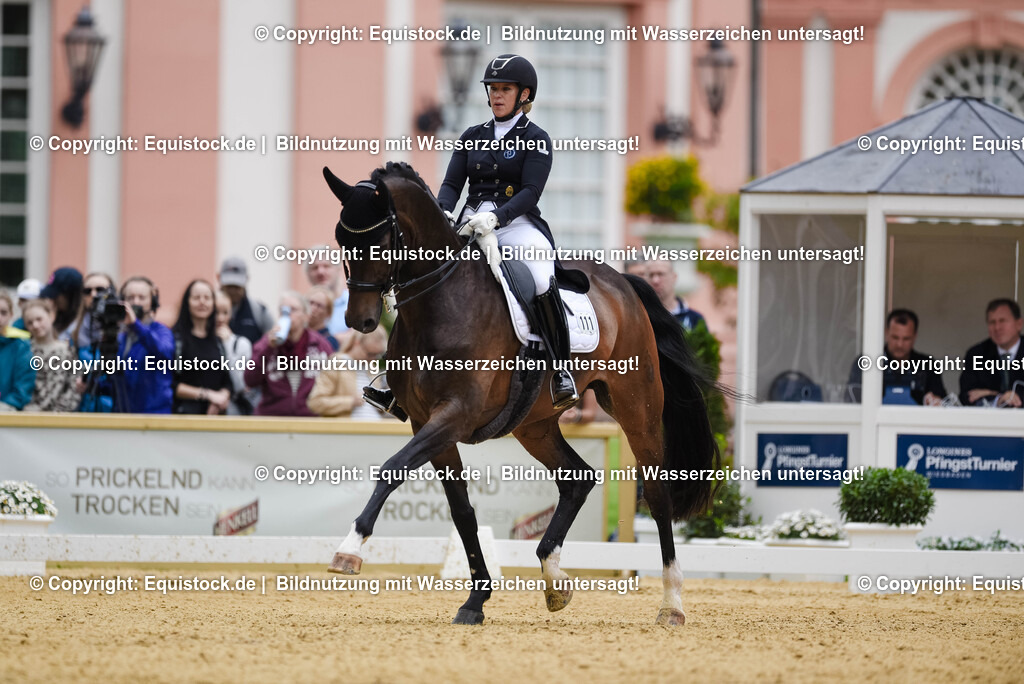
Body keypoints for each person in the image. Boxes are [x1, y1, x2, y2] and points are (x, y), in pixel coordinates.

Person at [436, 53, 577, 409]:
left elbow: (530, 192)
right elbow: (452, 183)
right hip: (470, 221)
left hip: (516, 225)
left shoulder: (536, 138)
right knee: (429, 271)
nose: (497, 95)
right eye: (493, 89)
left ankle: (561, 369)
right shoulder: (472, 135)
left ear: (524, 94)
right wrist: (442, 212)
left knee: (542, 277)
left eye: (505, 89)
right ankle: (404, 373)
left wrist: (498, 218)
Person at [244, 291, 334, 416]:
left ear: (306, 316)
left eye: (293, 310)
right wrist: (268, 348)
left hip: (310, 420)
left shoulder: (320, 345)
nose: (287, 314)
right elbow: (250, 380)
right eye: (283, 310)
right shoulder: (267, 343)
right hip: (272, 419)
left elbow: (333, 384)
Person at [847, 309, 946, 406]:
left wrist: (935, 402)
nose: (899, 344)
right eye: (895, 337)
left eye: (906, 339)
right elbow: (850, 400)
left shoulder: (927, 364)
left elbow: (941, 401)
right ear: (886, 333)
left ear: (915, 336)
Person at [172, 279, 233, 415]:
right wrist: (208, 395)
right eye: (196, 297)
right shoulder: (175, 339)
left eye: (207, 297)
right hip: (184, 417)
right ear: (187, 302)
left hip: (216, 417)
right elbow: (171, 384)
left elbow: (227, 382)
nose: (202, 302)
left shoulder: (218, 341)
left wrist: (220, 399)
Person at [118, 276, 175, 413]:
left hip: (155, 414)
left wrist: (136, 326)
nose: (135, 302)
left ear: (152, 301)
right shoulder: (121, 337)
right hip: (125, 413)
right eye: (130, 298)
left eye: (141, 297)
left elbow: (164, 351)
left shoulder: (161, 331)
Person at [307, 329, 387, 419]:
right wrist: (350, 402)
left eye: (377, 355)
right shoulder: (336, 364)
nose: (373, 359)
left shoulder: (372, 370)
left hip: (376, 429)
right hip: (348, 430)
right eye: (369, 354)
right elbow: (315, 403)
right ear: (357, 343)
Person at [959, 298, 1024, 408]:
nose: (997, 328)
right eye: (992, 322)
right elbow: (967, 396)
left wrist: (993, 394)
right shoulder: (977, 354)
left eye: (1003, 321)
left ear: (1019, 324)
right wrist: (999, 399)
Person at [22, 299, 79, 412]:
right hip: (29, 415)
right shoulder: (25, 351)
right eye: (30, 322)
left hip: (58, 418)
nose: (35, 325)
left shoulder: (66, 351)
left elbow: (73, 387)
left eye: (39, 319)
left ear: (51, 316)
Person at [215, 291, 256, 415]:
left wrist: (227, 346)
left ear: (231, 314)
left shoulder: (241, 344)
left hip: (233, 413)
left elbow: (241, 385)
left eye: (225, 312)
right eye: (216, 312)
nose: (220, 318)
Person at [218, 256, 274, 345]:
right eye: (229, 286)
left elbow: (271, 344)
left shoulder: (259, 312)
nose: (232, 291)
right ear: (218, 278)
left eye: (237, 287)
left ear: (247, 279)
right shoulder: (207, 310)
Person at [642, 259, 706, 332]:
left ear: (674, 277)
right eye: (651, 275)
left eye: (660, 274)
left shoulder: (694, 319)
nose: (655, 280)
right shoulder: (640, 317)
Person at [0, 290, 35, 411]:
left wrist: (6, 406)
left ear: (11, 315)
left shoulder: (21, 346)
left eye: (3, 313)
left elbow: (24, 385)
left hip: (9, 415)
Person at [305, 251, 350, 342]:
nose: (320, 272)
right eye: (315, 268)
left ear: (338, 270)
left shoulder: (354, 302)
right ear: (308, 274)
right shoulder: (301, 305)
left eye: (326, 266)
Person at [39, 266, 83, 343]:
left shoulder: (82, 325)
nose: (53, 300)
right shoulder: (58, 319)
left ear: (70, 296)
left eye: (56, 296)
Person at [306, 286, 340, 352]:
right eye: (311, 302)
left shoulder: (330, 341)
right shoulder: (297, 333)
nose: (313, 308)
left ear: (328, 313)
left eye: (319, 306)